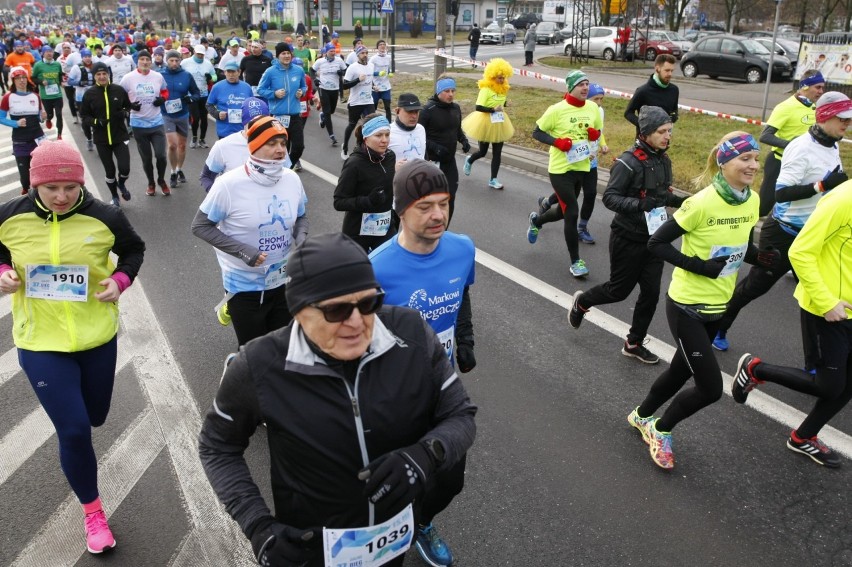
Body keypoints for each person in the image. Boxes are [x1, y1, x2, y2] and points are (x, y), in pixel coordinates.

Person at [199, 230, 476, 567]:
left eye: (368, 303)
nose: (357, 322)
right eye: (336, 311)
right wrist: (259, 528)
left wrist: (425, 455)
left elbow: (460, 415)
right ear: (298, 310)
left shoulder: (412, 332)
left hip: (393, 542)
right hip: (311, 549)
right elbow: (217, 447)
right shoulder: (258, 364)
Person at [0, 140, 145, 555]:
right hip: (39, 340)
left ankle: (80, 435)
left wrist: (119, 282)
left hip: (95, 336)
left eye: (70, 187)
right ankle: (93, 512)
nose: (62, 197)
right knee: (75, 429)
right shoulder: (9, 217)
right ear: (35, 185)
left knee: (95, 416)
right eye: (51, 189)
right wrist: (4, 270)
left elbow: (134, 250)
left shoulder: (105, 217)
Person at [628, 132, 762, 470]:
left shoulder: (752, 201)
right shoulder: (700, 203)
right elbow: (656, 243)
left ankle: (641, 415)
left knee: (679, 371)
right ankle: (661, 429)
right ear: (724, 161)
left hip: (719, 304)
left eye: (756, 159)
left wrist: (761, 259)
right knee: (710, 388)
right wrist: (701, 267)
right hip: (687, 306)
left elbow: (739, 242)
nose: (753, 165)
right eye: (745, 159)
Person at [369, 159, 476, 567]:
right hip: (395, 395)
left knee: (452, 479)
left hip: (443, 387)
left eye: (444, 203)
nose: (438, 215)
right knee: (398, 480)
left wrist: (464, 337)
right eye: (425, 206)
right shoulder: (377, 268)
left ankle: (421, 522)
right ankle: (392, 533)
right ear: (401, 210)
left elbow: (462, 294)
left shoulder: (462, 248)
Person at [711, 91, 849, 353]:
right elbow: (781, 193)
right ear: (825, 116)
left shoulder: (832, 144)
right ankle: (718, 326)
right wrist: (822, 185)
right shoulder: (801, 148)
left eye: (848, 119)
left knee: (816, 296)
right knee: (755, 287)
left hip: (812, 236)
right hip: (783, 234)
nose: (846, 124)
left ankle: (816, 360)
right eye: (842, 118)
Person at [731, 177, 852, 468]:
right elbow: (800, 252)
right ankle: (755, 369)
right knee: (828, 386)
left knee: (848, 383)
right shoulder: (842, 200)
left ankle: (803, 437)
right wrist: (826, 302)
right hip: (829, 309)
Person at [567, 106, 684, 365]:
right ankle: (582, 302)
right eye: (662, 132)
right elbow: (610, 198)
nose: (668, 137)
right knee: (619, 291)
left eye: (669, 131)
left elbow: (662, 195)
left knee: (651, 294)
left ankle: (633, 342)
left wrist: (687, 202)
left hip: (654, 239)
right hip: (627, 238)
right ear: (646, 133)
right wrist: (639, 205)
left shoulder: (664, 160)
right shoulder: (627, 162)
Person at [192, 116, 308, 345]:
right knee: (253, 350)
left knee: (282, 346)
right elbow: (200, 226)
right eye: (271, 143)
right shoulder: (228, 183)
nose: (280, 150)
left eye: (283, 143)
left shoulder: (292, 179)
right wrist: (244, 251)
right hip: (244, 285)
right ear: (254, 145)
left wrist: (302, 239)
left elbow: (302, 215)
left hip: (283, 279)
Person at [527, 70, 601, 278]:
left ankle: (536, 221)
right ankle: (576, 262)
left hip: (582, 167)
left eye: (587, 84)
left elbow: (597, 131)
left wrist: (595, 135)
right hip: (560, 169)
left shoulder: (593, 108)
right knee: (572, 212)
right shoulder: (557, 110)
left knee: (561, 212)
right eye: (580, 84)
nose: (585, 88)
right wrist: (557, 142)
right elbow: (537, 132)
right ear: (571, 88)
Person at [755, 70, 824, 217]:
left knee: (791, 210)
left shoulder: (814, 108)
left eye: (822, 88)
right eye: (817, 87)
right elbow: (765, 136)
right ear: (805, 86)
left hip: (802, 166)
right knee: (763, 208)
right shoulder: (786, 107)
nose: (821, 91)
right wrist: (792, 145)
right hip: (779, 163)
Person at [333, 114, 396, 252]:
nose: (384, 140)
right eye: (379, 135)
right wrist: (367, 201)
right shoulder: (354, 163)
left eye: (387, 134)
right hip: (358, 232)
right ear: (366, 138)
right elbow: (338, 202)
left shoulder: (390, 157)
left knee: (389, 270)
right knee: (360, 273)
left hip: (385, 228)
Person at [79, 61, 133, 207]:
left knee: (125, 168)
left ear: (109, 75)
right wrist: (97, 122)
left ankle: (121, 184)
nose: (102, 77)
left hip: (120, 136)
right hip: (101, 139)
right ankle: (115, 196)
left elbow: (128, 106)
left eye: (104, 74)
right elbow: (84, 116)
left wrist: (125, 112)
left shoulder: (118, 90)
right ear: (94, 76)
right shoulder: (89, 94)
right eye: (98, 74)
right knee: (110, 171)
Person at [120, 50, 171, 196]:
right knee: (147, 158)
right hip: (138, 124)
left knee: (161, 155)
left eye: (147, 59)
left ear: (151, 61)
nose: (145, 62)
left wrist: (163, 99)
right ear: (137, 61)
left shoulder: (158, 76)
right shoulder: (128, 78)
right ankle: (151, 182)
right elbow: (119, 96)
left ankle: (161, 180)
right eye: (142, 59)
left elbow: (165, 91)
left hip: (156, 123)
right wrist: (129, 106)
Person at [419, 76, 471, 222]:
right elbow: (418, 136)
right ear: (438, 91)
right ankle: (427, 228)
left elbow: (457, 128)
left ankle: (444, 230)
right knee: (432, 199)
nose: (451, 94)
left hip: (449, 161)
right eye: (447, 91)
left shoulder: (456, 108)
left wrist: (463, 140)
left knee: (451, 196)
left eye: (453, 91)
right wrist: (435, 147)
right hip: (432, 162)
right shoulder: (427, 110)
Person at [462, 58, 515, 190]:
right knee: (482, 152)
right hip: (485, 122)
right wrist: (492, 110)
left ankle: (493, 179)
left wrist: (506, 104)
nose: (502, 80)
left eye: (503, 78)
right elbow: (478, 107)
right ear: (492, 76)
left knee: (497, 153)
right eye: (499, 78)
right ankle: (469, 160)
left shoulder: (503, 89)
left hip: (499, 122)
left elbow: (500, 103)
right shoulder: (485, 89)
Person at [200, 97, 272, 192]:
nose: (257, 128)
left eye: (262, 123)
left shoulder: (277, 145)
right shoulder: (223, 145)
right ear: (244, 122)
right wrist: (216, 195)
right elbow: (206, 177)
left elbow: (285, 175)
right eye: (252, 123)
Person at [257, 42, 307, 170]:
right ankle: (279, 170)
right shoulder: (270, 72)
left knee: (298, 147)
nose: (286, 56)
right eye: (283, 53)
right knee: (281, 148)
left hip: (295, 116)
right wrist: (274, 94)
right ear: (278, 56)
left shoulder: (298, 70)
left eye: (288, 53)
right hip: (278, 117)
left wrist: (302, 92)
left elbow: (304, 86)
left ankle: (287, 169)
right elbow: (260, 89)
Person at [0, 66, 46, 195]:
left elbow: (39, 116)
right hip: (20, 142)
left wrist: (42, 117)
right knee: (25, 177)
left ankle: (40, 197)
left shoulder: (35, 96)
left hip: (38, 138)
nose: (21, 80)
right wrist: (15, 123)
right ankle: (25, 189)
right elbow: (1, 118)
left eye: (24, 77)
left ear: (27, 79)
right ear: (13, 81)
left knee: (40, 171)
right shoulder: (8, 97)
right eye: (18, 78)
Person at [161, 50, 200, 189]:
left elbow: (196, 93)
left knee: (182, 146)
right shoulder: (160, 75)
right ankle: (172, 172)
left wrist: (191, 98)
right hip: (167, 115)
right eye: (171, 60)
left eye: (177, 60)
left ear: (180, 61)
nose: (174, 63)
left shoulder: (186, 75)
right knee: (172, 145)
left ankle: (179, 169)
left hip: (182, 113)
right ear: (167, 61)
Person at [624, 54, 679, 138]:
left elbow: (674, 110)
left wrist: (674, 116)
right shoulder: (643, 91)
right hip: (645, 142)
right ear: (657, 68)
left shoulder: (674, 90)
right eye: (667, 70)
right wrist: (644, 125)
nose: (670, 74)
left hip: (664, 140)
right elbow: (628, 113)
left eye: (672, 71)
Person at [340, 45, 375, 160]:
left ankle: (366, 148)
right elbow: (344, 85)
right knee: (352, 124)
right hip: (355, 102)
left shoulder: (371, 66)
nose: (365, 55)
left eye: (366, 52)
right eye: (362, 53)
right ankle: (345, 147)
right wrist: (357, 80)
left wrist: (374, 86)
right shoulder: (352, 68)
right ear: (357, 55)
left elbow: (370, 80)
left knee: (371, 124)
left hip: (368, 101)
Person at [180, 44, 217, 148]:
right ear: (194, 52)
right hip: (191, 94)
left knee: (204, 118)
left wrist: (211, 77)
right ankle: (195, 136)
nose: (200, 56)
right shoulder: (185, 62)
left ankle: (202, 139)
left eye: (202, 54)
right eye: (198, 54)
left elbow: (214, 76)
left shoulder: (208, 63)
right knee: (195, 118)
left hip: (204, 94)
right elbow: (180, 74)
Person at [206, 59, 254, 140]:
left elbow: (251, 106)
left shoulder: (247, 87)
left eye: (233, 72)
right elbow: (208, 105)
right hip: (225, 131)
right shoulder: (217, 87)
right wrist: (217, 114)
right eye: (228, 72)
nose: (231, 75)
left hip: (243, 131)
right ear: (224, 72)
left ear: (239, 72)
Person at [312, 42, 346, 147]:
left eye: (334, 51)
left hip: (334, 89)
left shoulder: (339, 60)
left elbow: (345, 70)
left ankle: (322, 116)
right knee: (327, 112)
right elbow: (312, 70)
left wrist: (342, 72)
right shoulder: (320, 61)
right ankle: (332, 136)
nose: (333, 53)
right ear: (326, 52)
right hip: (323, 88)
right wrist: (315, 80)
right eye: (331, 51)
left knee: (331, 111)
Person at [67, 48, 97, 151]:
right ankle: (89, 139)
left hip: (95, 96)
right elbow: (69, 81)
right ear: (82, 57)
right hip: (81, 97)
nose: (87, 59)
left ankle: (97, 138)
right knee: (85, 120)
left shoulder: (95, 65)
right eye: (85, 57)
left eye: (89, 56)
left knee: (96, 117)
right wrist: (79, 83)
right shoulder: (76, 67)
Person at [31, 44, 63, 139]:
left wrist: (61, 82)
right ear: (43, 54)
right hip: (46, 96)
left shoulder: (57, 64)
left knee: (59, 114)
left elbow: (60, 74)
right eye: (47, 52)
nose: (49, 53)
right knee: (50, 115)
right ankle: (49, 119)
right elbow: (33, 78)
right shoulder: (38, 65)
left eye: (51, 52)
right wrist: (41, 82)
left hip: (57, 95)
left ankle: (59, 135)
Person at [388, 92, 426, 163]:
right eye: (410, 112)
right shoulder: (387, 132)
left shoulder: (421, 129)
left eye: (416, 111)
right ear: (397, 111)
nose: (414, 116)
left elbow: (422, 155)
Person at [370, 39, 392, 122]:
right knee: (374, 107)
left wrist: (389, 73)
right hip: (376, 86)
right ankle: (373, 122)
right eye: (380, 45)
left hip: (386, 86)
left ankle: (389, 124)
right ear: (377, 48)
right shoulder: (373, 59)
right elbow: (369, 72)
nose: (382, 46)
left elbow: (388, 68)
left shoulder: (388, 57)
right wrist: (377, 73)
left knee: (387, 107)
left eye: (384, 44)